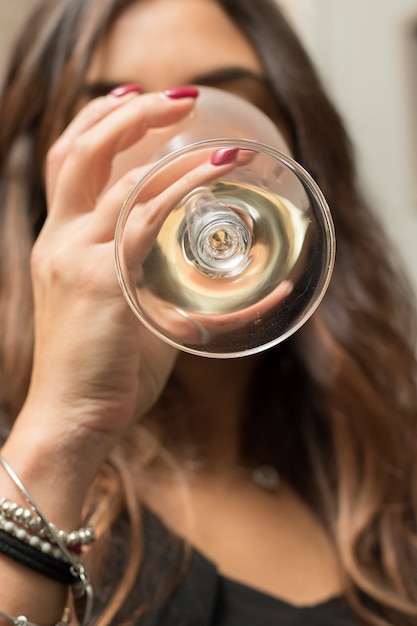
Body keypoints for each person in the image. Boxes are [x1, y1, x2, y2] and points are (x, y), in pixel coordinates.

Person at [0, 0, 416, 625]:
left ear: (299, 147)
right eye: (117, 114)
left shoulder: (381, 449)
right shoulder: (24, 453)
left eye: (225, 98)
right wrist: (65, 432)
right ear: (45, 180)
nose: (182, 157)